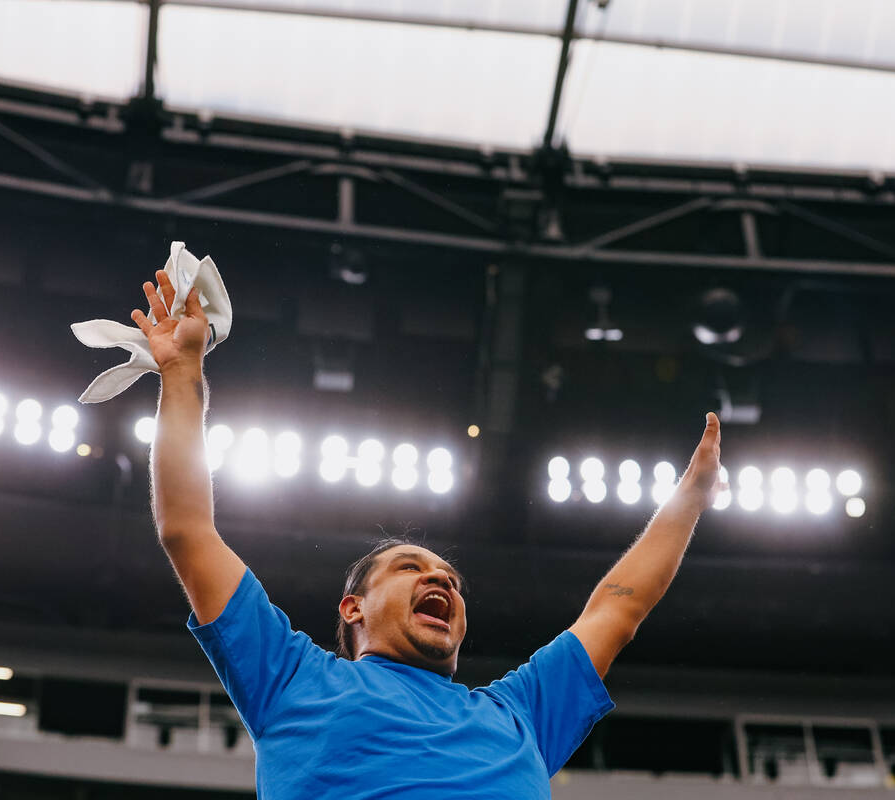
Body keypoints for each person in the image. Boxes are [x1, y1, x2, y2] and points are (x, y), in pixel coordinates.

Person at [130, 269, 728, 799]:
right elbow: (187, 531)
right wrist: (182, 373)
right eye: (410, 567)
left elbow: (619, 608)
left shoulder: (520, 715)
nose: (440, 578)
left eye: (450, 579)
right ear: (353, 607)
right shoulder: (293, 679)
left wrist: (690, 500)